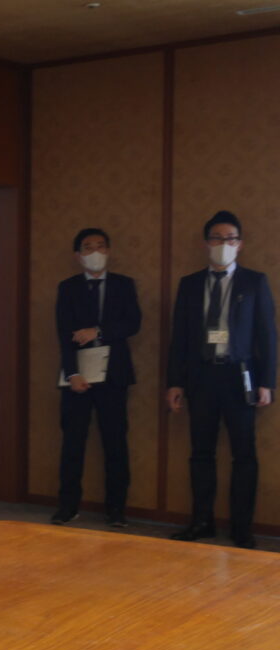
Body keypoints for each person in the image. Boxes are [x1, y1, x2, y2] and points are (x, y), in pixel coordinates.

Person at [166, 210, 276, 549]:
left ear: (240, 244)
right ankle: (202, 522)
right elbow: (179, 338)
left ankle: (242, 528)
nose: (223, 244)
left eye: (230, 238)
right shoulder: (189, 284)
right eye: (216, 238)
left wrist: (267, 382)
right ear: (205, 243)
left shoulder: (254, 282)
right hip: (201, 377)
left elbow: (267, 335)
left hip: (240, 377)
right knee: (201, 453)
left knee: (244, 455)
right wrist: (175, 382)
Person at [51, 228, 141, 528]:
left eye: (101, 246)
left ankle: (116, 509)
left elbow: (133, 323)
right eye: (88, 247)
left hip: (114, 375)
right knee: (72, 444)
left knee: (115, 444)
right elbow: (62, 333)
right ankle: (67, 507)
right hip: (77, 376)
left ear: (109, 251)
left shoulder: (124, 285)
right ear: (78, 255)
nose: (95, 252)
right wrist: (72, 373)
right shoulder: (68, 288)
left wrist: (98, 331)